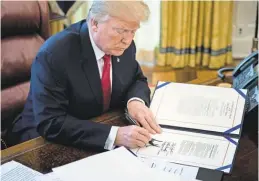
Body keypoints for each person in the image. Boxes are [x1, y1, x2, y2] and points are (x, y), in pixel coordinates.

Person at [9, 1, 162, 150]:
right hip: (41, 143)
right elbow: (51, 122)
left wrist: (135, 102)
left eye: (133, 31)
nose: (127, 40)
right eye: (120, 30)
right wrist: (114, 136)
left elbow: (136, 79)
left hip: (96, 124)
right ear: (95, 24)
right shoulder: (55, 54)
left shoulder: (123, 45)